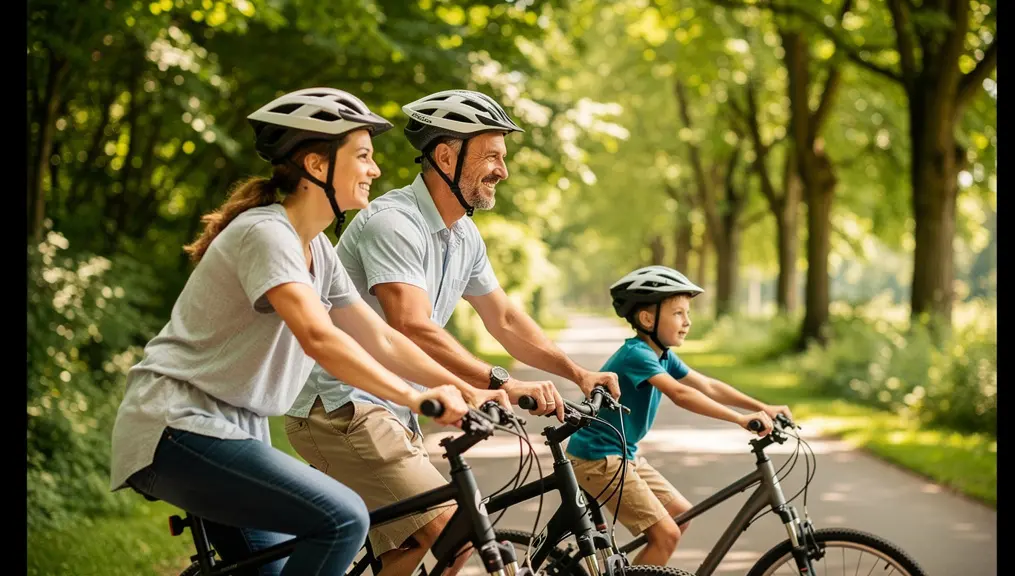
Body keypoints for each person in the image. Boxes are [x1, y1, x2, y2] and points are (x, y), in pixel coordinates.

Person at [108, 87, 496, 576]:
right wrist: (416, 398)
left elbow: (378, 337)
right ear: (317, 165)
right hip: (177, 426)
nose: (375, 169)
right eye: (363, 156)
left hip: (234, 432)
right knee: (341, 519)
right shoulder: (266, 234)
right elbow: (321, 337)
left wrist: (464, 389)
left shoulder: (319, 250)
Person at [284, 88, 620, 576]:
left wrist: (577, 373)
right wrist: (500, 383)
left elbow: (503, 319)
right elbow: (412, 324)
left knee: (408, 547)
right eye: (492, 156)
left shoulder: (464, 234)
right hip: (341, 408)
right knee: (455, 535)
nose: (503, 170)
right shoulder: (394, 223)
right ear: (446, 155)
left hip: (393, 411)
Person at [565, 265, 793, 566]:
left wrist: (762, 407)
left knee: (681, 517)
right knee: (667, 535)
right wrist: (739, 419)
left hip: (621, 455)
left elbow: (707, 385)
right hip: (598, 457)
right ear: (648, 318)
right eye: (678, 314)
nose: (687, 322)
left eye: (687, 313)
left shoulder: (660, 354)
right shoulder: (637, 355)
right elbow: (681, 394)